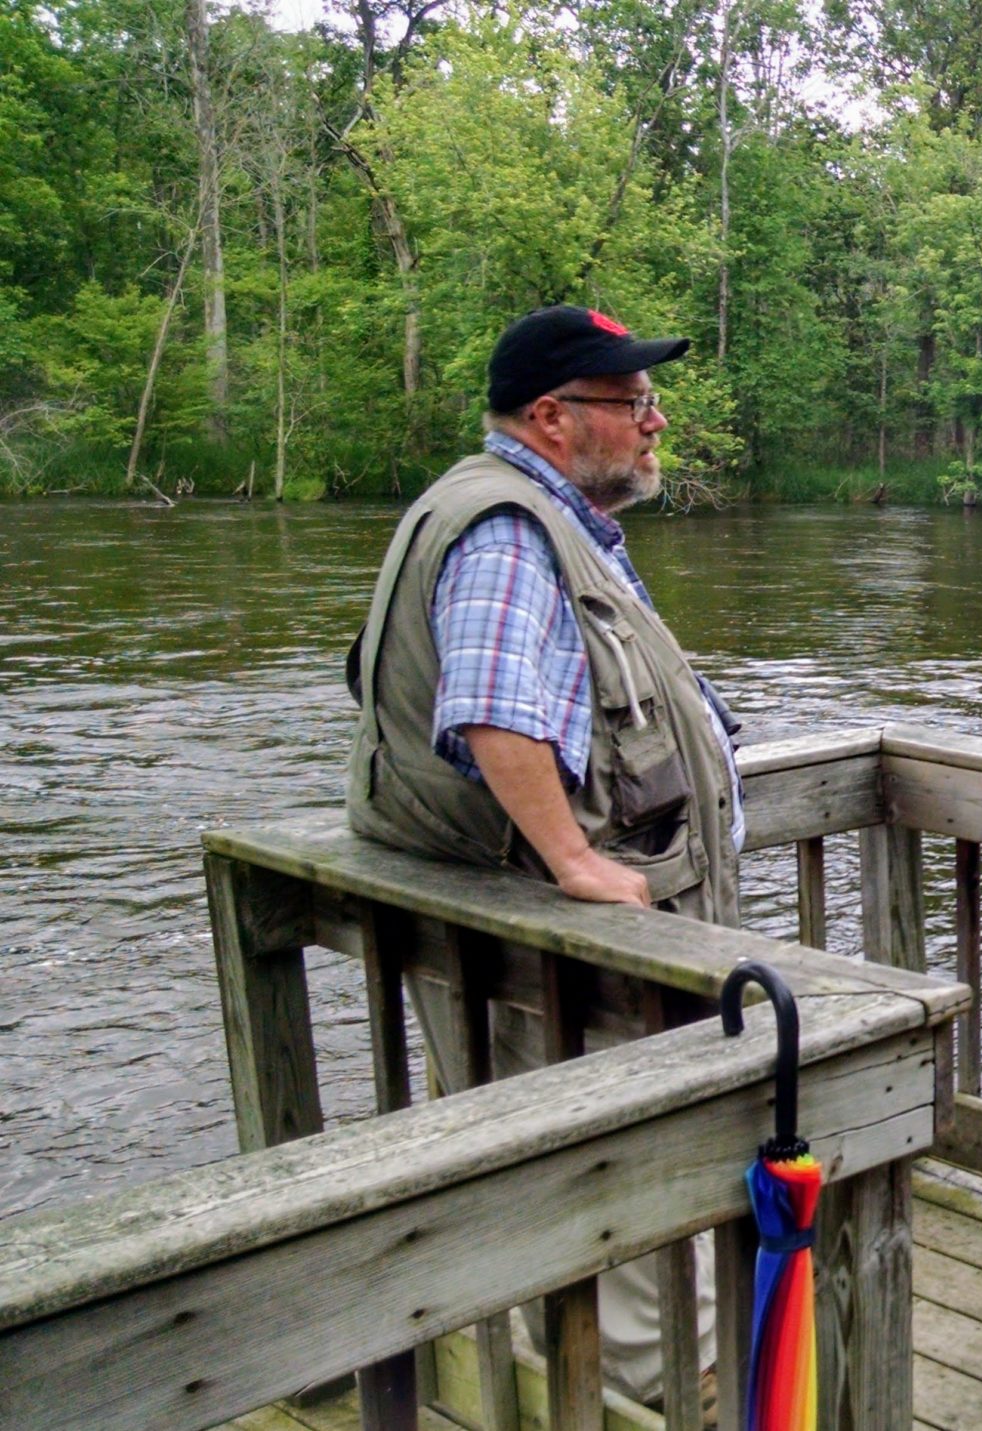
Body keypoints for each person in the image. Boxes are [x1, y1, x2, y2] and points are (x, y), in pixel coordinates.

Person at [344, 304, 740, 1408]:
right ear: (554, 418)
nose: (657, 424)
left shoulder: (525, 516)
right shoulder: (512, 530)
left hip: (521, 940)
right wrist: (572, 860)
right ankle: (674, 1400)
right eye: (636, 404)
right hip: (553, 946)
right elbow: (493, 715)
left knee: (576, 1197)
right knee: (621, 1193)